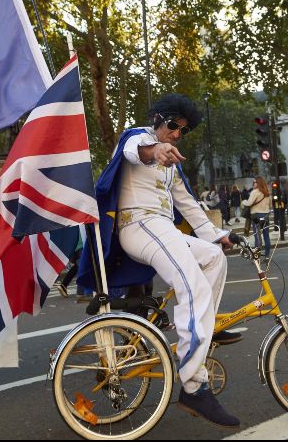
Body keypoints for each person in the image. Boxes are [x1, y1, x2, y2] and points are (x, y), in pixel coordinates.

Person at [76, 93, 240, 427]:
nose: (178, 133)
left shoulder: (174, 164)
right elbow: (134, 152)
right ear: (158, 120)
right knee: (193, 287)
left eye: (184, 130)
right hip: (137, 225)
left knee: (213, 258)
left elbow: (189, 204)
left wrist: (217, 235)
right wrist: (156, 151)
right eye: (173, 126)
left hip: (163, 229)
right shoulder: (137, 137)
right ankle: (194, 386)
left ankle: (201, 327)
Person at [243, 177, 272, 260]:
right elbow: (270, 205)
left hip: (256, 216)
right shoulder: (267, 192)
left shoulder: (254, 192)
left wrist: (243, 202)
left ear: (259, 183)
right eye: (253, 182)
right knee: (266, 236)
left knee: (257, 236)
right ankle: (267, 256)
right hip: (265, 216)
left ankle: (257, 256)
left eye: (255, 182)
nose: (254, 184)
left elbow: (249, 203)